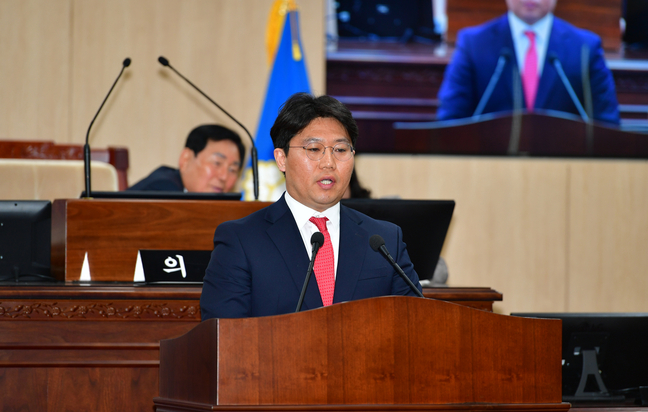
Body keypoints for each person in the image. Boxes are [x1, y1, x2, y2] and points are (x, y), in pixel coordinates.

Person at [200, 93, 422, 320]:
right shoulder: (241, 240)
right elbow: (224, 334)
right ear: (281, 159)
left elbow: (416, 323)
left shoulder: (384, 241)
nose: (329, 163)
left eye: (340, 150)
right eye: (314, 149)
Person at [436, 0, 620, 125]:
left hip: (564, 166)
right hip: (491, 165)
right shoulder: (474, 44)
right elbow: (450, 121)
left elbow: (607, 124)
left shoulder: (585, 47)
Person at [128, 124, 245, 193]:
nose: (224, 177)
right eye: (217, 163)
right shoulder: (162, 189)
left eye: (233, 170)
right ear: (186, 159)